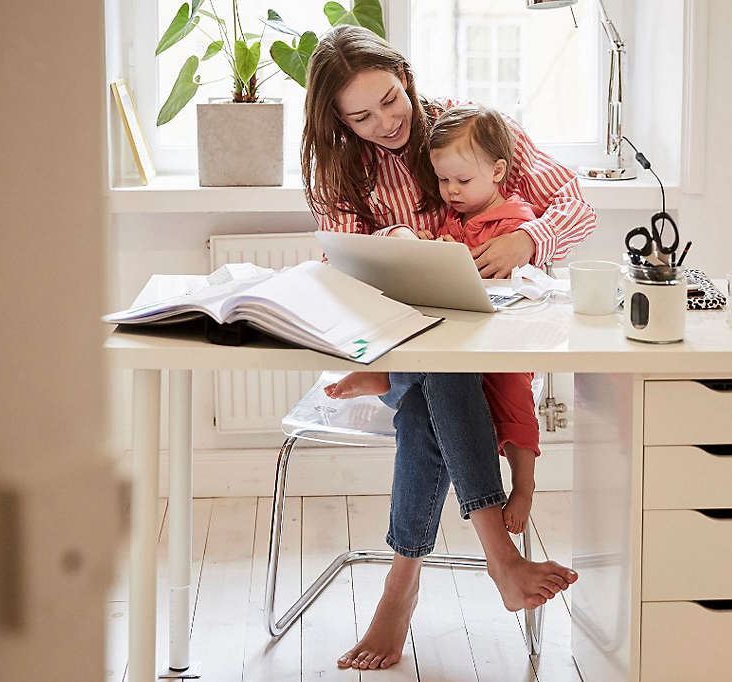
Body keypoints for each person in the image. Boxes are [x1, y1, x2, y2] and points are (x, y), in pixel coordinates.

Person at [301, 25, 596, 671]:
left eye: (390, 97)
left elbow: (575, 204)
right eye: (360, 115)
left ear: (404, 75)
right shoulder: (341, 173)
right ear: (337, 121)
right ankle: (500, 557)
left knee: (432, 393)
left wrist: (532, 239)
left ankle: (399, 589)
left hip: (480, 343)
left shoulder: (471, 127)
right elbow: (343, 270)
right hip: (401, 342)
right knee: (436, 374)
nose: (384, 121)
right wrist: (398, 250)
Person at [325, 104, 544, 536]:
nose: (451, 191)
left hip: (499, 344)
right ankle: (388, 374)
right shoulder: (452, 217)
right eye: (443, 181)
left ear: (499, 171)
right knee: (433, 360)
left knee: (515, 400)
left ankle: (523, 485)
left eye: (462, 180)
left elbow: (529, 283)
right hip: (454, 343)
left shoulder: (517, 222)